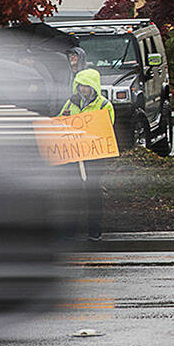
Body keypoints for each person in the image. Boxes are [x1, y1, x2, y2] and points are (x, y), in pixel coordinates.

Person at [58, 67, 114, 240]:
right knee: (72, 192)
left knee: (93, 192)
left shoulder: (104, 105)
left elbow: (107, 126)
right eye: (81, 85)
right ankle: (71, 230)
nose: (83, 89)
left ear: (94, 87)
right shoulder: (70, 103)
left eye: (86, 86)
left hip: (94, 156)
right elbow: (61, 120)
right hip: (74, 156)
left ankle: (94, 230)